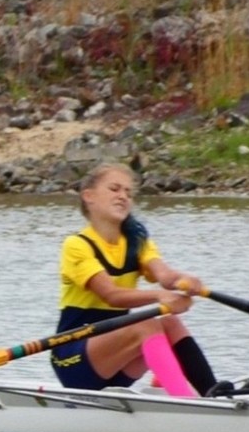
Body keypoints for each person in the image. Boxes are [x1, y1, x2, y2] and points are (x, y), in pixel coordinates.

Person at [50, 162, 218, 396]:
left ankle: (212, 394)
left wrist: (185, 280)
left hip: (118, 360)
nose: (123, 196)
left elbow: (164, 276)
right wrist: (161, 296)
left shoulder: (136, 241)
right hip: (73, 358)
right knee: (147, 324)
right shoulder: (76, 245)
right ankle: (185, 400)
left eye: (128, 193)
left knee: (169, 322)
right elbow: (112, 295)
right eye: (114, 189)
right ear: (89, 196)